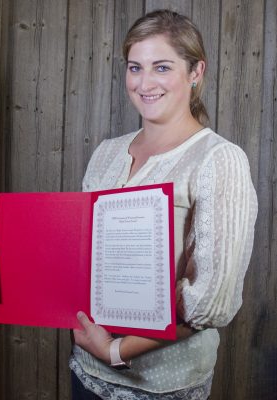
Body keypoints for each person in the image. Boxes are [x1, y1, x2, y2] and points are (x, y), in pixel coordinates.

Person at [70, 9, 258, 400]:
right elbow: (76, 258)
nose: (144, 83)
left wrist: (116, 350)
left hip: (160, 387)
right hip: (85, 372)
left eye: (161, 67)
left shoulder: (218, 159)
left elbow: (210, 302)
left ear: (195, 72)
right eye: (135, 67)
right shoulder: (106, 154)